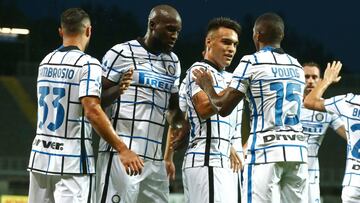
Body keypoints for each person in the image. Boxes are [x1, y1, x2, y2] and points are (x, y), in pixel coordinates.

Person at [27, 8, 143, 203]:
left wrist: (115, 90)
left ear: (61, 31)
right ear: (88, 31)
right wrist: (123, 149)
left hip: (40, 158)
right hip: (73, 163)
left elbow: (74, 100)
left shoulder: (45, 62)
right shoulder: (88, 64)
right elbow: (92, 110)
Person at [193, 12, 308, 202]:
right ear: (281, 36)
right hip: (298, 151)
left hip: (266, 150)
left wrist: (207, 85)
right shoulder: (296, 66)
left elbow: (222, 107)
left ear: (257, 35)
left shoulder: (252, 61)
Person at [96, 4, 185, 203]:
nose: (175, 36)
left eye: (177, 31)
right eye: (170, 29)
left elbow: (171, 110)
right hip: (122, 155)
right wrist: (118, 89)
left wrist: (180, 123)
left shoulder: (173, 63)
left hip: (154, 161)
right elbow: (95, 101)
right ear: (153, 25)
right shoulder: (121, 53)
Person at [169, 17, 243, 203]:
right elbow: (202, 109)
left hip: (226, 163)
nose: (231, 49)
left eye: (234, 44)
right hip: (206, 161)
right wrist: (241, 83)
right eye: (225, 42)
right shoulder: (199, 70)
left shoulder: (233, 78)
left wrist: (230, 146)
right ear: (208, 42)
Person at [304, 61, 360, 203]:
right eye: (306, 76)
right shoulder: (285, 105)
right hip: (283, 167)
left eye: (315, 77)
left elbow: (350, 136)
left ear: (320, 79)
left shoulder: (338, 106)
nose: (310, 81)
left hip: (311, 174)